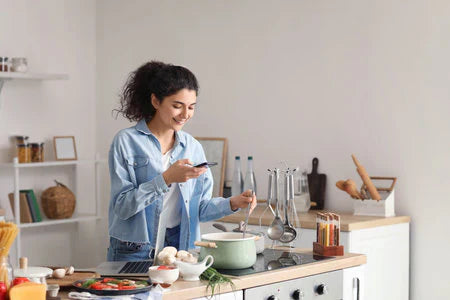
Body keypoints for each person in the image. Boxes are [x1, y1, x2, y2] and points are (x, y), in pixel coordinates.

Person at [107, 61, 257, 261]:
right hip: (134, 249)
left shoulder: (193, 147)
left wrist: (233, 203)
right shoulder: (126, 141)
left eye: (191, 107)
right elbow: (122, 206)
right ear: (156, 101)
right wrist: (167, 178)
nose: (185, 115)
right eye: (177, 106)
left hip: (180, 245)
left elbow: (200, 209)